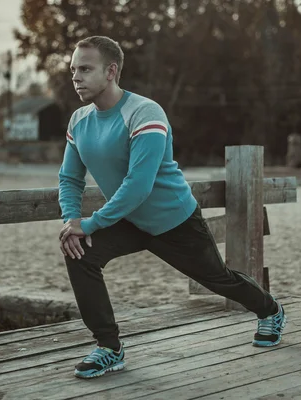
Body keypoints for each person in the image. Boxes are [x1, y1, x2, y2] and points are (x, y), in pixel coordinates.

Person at [57, 36, 286, 379]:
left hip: (173, 220)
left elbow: (139, 184)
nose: (76, 77)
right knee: (78, 251)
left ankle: (271, 311)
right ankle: (109, 347)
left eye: (85, 69)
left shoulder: (144, 112)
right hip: (126, 219)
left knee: (218, 279)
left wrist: (91, 224)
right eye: (74, 69)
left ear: (111, 72)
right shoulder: (79, 121)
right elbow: (69, 178)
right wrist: (72, 222)